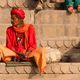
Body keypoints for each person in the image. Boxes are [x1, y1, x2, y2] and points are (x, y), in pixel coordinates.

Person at [0, 7, 46, 73]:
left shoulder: (30, 28)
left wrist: (26, 54)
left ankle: (26, 58)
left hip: (27, 53)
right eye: (11, 18)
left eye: (13, 18)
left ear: (20, 19)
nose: (11, 21)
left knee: (41, 51)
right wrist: (19, 53)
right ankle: (23, 58)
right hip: (15, 53)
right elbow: (9, 46)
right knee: (1, 48)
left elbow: (32, 45)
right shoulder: (9, 30)